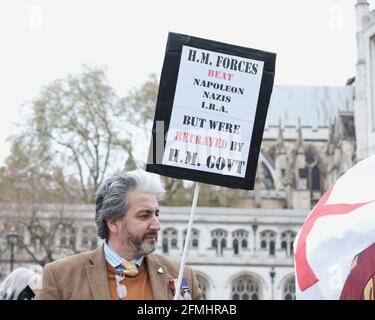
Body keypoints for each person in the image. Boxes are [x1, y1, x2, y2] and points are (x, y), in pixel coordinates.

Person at [36, 170, 203, 300]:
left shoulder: (181, 275)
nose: (156, 225)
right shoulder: (60, 277)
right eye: (144, 215)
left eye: (156, 214)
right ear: (114, 223)